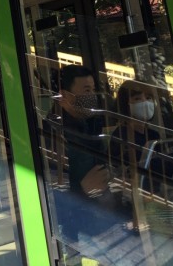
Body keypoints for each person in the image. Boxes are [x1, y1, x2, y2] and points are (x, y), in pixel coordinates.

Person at [49, 64, 112, 243]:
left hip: (98, 219)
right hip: (74, 229)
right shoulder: (53, 132)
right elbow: (48, 188)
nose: (92, 96)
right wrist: (82, 190)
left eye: (93, 90)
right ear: (64, 96)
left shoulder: (91, 122)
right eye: (86, 90)